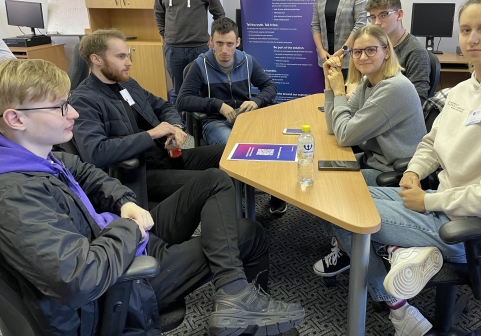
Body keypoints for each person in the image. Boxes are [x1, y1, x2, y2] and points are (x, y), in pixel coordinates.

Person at [0, 59, 305, 336]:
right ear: (16, 119)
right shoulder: (15, 196)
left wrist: (125, 203)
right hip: (119, 284)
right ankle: (242, 310)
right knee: (249, 235)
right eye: (60, 107)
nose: (73, 113)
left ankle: (239, 302)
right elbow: (78, 279)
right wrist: (128, 228)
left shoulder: (44, 158)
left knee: (218, 185)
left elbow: (91, 175)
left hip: (121, 239)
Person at [322, 0, 481, 336]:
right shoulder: (463, 89)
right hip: (439, 206)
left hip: (468, 227)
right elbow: (431, 142)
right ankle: (398, 251)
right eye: (466, 29)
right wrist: (414, 172)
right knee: (336, 199)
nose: (473, 38)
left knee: (346, 212)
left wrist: (428, 200)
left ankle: (399, 311)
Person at [313, 24, 426, 279]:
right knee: (321, 172)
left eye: (371, 50)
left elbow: (345, 135)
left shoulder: (394, 88)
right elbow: (334, 127)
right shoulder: (368, 83)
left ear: (387, 52)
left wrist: (339, 91)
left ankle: (363, 259)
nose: (363, 57)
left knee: (328, 192)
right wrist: (330, 86)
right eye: (357, 52)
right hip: (374, 159)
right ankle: (349, 241)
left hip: (394, 171)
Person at [70, 29, 225, 206]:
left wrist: (175, 127)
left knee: (231, 152)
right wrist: (152, 134)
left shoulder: (127, 84)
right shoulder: (84, 100)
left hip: (165, 154)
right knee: (215, 180)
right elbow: (96, 153)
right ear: (96, 59)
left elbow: (164, 106)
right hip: (139, 173)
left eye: (128, 55)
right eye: (121, 57)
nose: (129, 62)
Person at [176, 17, 287, 214]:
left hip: (246, 118)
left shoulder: (247, 61)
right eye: (219, 43)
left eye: (229, 44)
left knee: (273, 143)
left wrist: (257, 101)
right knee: (238, 151)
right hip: (215, 122)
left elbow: (270, 87)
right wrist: (217, 105)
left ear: (238, 42)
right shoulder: (200, 65)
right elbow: (182, 100)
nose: (224, 50)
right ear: (211, 41)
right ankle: (236, 205)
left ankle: (276, 195)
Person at [154, 0, 225, 99]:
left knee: (203, 90)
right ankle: (179, 116)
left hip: (200, 48)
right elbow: (159, 13)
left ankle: (202, 116)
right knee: (179, 92)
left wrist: (214, 37)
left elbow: (219, 14)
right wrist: (165, 35)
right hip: (174, 50)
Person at [311, 0, 367, 81]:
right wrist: (321, 51)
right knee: (329, 93)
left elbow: (360, 25)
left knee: (349, 93)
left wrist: (342, 51)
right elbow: (315, 25)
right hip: (326, 59)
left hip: (348, 59)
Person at [366, 0, 431, 103]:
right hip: (373, 103)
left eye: (383, 15)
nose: (376, 22)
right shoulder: (377, 45)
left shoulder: (415, 52)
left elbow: (418, 100)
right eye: (373, 17)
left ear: (399, 15)